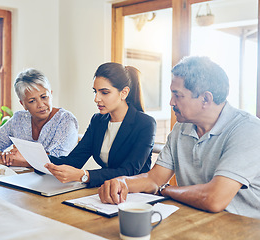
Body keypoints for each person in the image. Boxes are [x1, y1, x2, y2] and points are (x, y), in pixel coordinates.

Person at [98, 56, 260, 219]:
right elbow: (154, 178)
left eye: (178, 95)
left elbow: (214, 199)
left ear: (206, 99)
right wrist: (123, 182)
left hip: (243, 228)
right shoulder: (181, 127)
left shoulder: (248, 130)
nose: (171, 102)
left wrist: (166, 190)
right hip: (194, 219)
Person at [44, 62, 156, 188]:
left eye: (104, 92)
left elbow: (128, 172)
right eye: (95, 91)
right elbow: (73, 161)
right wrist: (32, 159)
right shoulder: (98, 121)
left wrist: (84, 175)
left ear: (124, 93)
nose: (96, 99)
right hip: (104, 191)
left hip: (135, 195)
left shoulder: (145, 124)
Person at [0, 68, 79, 167]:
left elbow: (54, 161)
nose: (41, 105)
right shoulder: (19, 120)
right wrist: (3, 156)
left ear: (50, 94)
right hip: (24, 180)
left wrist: (9, 161)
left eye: (44, 97)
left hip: (59, 183)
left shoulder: (66, 120)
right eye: (32, 101)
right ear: (23, 104)